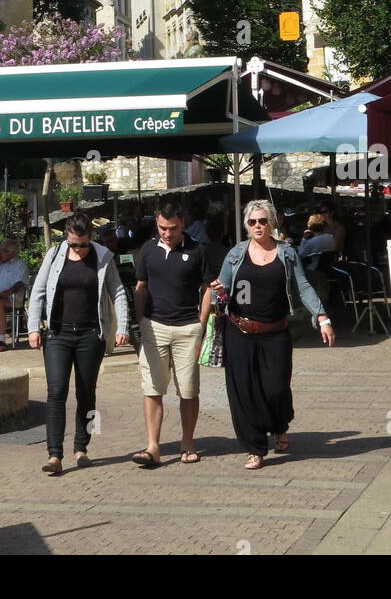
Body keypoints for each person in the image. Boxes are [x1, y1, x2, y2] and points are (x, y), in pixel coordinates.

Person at [211, 199, 335, 471]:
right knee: (244, 391)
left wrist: (322, 317)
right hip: (239, 331)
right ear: (247, 224)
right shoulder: (236, 254)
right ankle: (255, 448)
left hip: (275, 332)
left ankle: (280, 424)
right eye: (252, 221)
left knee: (275, 388)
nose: (257, 226)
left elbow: (302, 286)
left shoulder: (286, 253)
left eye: (263, 221)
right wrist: (217, 291)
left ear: (271, 223)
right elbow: (222, 289)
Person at [28, 211, 131, 475]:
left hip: (90, 334)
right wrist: (32, 328)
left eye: (83, 244)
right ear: (66, 238)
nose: (79, 249)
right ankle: (54, 454)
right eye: (74, 244)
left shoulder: (102, 257)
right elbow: (38, 291)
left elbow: (117, 291)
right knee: (56, 392)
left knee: (88, 392)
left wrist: (122, 326)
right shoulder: (53, 256)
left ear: (90, 238)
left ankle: (84, 446)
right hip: (58, 334)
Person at [131, 201, 210, 468]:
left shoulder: (198, 250)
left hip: (188, 328)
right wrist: (141, 320)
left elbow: (208, 287)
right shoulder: (148, 250)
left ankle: (187, 442)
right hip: (154, 328)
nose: (167, 233)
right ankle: (153, 446)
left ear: (183, 225)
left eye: (173, 228)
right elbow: (141, 286)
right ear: (157, 223)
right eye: (163, 228)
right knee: (152, 389)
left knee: (188, 390)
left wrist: (202, 322)